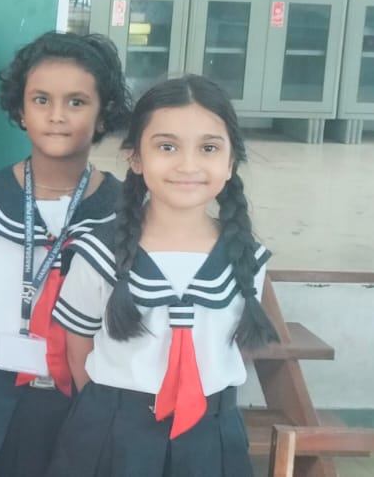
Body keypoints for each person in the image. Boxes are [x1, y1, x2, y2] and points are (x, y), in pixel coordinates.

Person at [45, 75, 278, 477]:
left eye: (208, 148)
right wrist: (111, 413)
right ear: (135, 158)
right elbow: (77, 346)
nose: (188, 165)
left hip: (212, 436)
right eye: (167, 147)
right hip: (112, 432)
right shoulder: (98, 252)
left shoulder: (247, 258)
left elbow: (231, 350)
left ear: (230, 162)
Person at [0, 31, 132, 477]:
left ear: (103, 113)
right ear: (21, 111)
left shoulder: (127, 211)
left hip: (90, 393)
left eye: (76, 102)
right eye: (41, 100)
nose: (56, 116)